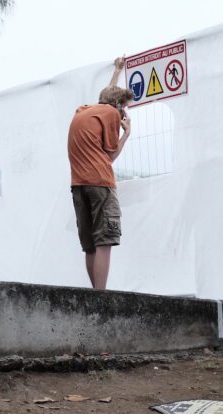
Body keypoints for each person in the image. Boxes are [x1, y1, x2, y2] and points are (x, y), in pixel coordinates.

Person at [67, 57, 134, 290]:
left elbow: (107, 97)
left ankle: (95, 297)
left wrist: (117, 71)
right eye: (124, 107)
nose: (124, 111)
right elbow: (110, 157)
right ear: (117, 106)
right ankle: (101, 297)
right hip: (101, 184)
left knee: (90, 245)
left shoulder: (85, 111)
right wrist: (126, 133)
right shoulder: (112, 115)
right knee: (104, 240)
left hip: (78, 185)